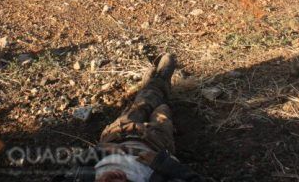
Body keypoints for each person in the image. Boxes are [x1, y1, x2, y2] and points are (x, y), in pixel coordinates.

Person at [54, 54, 203, 182]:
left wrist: (97, 159)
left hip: (118, 137)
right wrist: (162, 163)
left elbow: (63, 173)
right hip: (155, 144)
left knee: (142, 104)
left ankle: (155, 83)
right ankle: (155, 83)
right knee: (163, 110)